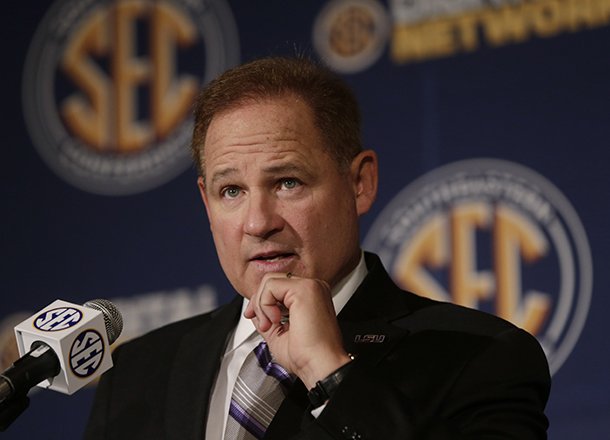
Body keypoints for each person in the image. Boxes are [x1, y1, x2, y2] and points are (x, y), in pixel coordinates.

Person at [84, 56, 550, 439]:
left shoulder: (481, 358)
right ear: (206, 203)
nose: (257, 222)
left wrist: (331, 374)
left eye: (288, 182)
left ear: (360, 183)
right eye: (232, 191)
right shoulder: (137, 376)